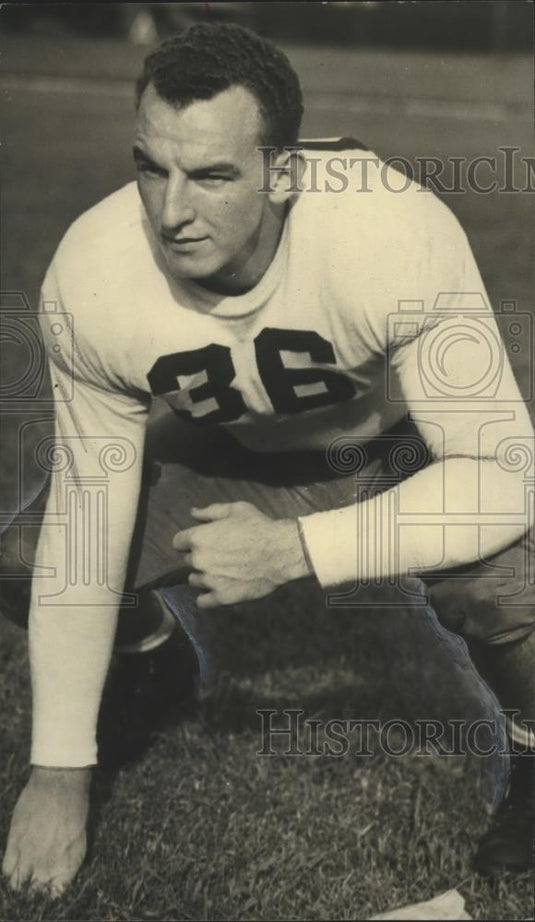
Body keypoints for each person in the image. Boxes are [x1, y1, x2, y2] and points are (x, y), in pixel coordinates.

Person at [1, 22, 534, 896]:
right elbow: (89, 514)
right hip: (236, 447)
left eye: (212, 175)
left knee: (508, 584)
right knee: (27, 560)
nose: (171, 211)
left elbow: (502, 478)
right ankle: (156, 664)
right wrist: (58, 771)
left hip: (392, 448)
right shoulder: (94, 269)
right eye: (149, 166)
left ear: (283, 173)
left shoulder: (389, 231)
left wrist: (293, 552)